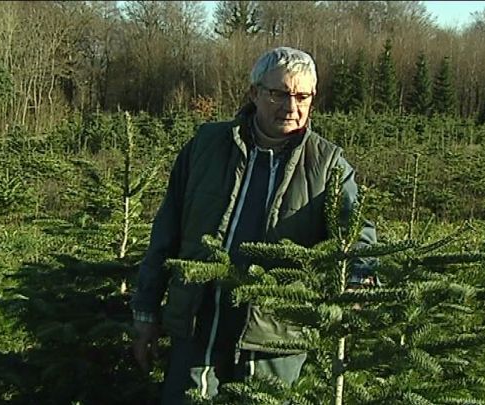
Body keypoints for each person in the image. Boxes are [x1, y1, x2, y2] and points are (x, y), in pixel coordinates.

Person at [131, 46, 377, 404]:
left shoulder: (327, 164)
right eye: (278, 94)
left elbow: (357, 231)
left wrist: (358, 280)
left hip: (275, 337)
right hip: (199, 324)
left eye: (302, 96)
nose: (291, 107)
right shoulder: (206, 146)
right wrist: (145, 311)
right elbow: (166, 232)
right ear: (254, 93)